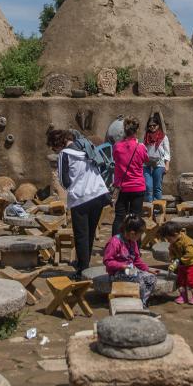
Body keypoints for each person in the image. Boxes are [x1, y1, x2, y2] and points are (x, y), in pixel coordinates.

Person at [47, 127, 111, 280]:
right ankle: (85, 264)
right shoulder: (86, 147)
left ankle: (82, 270)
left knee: (81, 235)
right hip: (99, 193)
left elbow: (64, 180)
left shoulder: (64, 154)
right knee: (90, 232)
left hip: (81, 198)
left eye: (53, 147)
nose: (54, 150)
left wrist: (73, 189)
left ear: (58, 143)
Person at [103, 214, 159, 305]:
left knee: (151, 278)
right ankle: (139, 304)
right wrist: (122, 266)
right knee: (139, 281)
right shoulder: (115, 242)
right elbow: (107, 261)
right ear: (132, 233)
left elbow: (136, 260)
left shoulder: (133, 242)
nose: (139, 237)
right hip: (117, 273)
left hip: (130, 271)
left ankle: (142, 302)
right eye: (139, 235)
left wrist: (148, 269)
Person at [110, 117, 148, 237]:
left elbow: (116, 159)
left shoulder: (117, 146)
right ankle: (135, 246)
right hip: (137, 187)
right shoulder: (141, 147)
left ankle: (116, 244)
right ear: (136, 130)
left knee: (119, 217)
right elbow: (145, 160)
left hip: (122, 188)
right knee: (136, 217)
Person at [158, 221, 193, 305]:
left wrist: (180, 260)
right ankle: (183, 295)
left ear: (175, 234)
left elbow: (191, 253)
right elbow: (172, 251)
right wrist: (173, 259)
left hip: (192, 263)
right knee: (181, 280)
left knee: (190, 280)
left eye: (169, 239)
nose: (168, 241)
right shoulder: (173, 242)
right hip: (182, 264)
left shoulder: (187, 241)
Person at [142, 114, 170, 202]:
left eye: (154, 125)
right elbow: (144, 150)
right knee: (148, 186)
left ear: (158, 125)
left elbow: (167, 152)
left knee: (157, 187)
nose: (152, 127)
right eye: (150, 126)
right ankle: (150, 206)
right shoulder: (146, 137)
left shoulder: (163, 137)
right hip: (147, 164)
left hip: (159, 164)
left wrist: (167, 165)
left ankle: (158, 210)